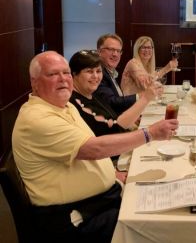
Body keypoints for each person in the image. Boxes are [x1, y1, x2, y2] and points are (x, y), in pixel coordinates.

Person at [12, 51, 178, 243]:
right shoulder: (37, 118)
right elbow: (94, 148)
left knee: (163, 193)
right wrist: (150, 134)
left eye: (65, 73)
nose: (63, 79)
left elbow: (86, 145)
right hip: (75, 217)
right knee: (160, 224)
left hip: (99, 200)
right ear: (34, 82)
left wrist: (110, 173)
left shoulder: (65, 107)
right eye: (52, 74)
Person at [69, 49, 162, 137]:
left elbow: (113, 117)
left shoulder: (92, 94)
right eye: (89, 71)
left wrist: (133, 120)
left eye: (98, 71)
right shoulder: (74, 104)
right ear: (74, 74)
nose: (95, 76)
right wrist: (145, 98)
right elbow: (115, 128)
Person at [95, 33, 136, 115]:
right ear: (99, 51)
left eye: (118, 51)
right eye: (111, 49)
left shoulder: (110, 72)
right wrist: (141, 96)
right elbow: (111, 102)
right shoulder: (98, 73)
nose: (115, 54)